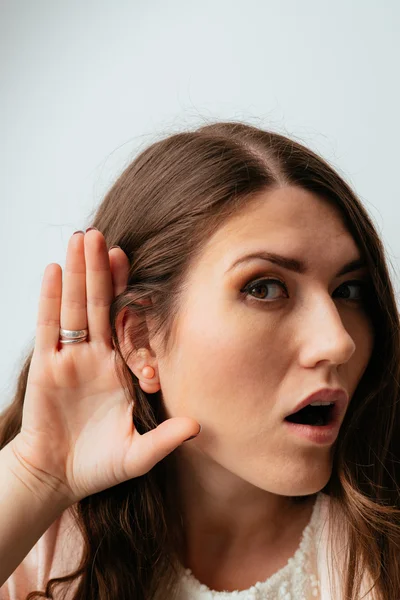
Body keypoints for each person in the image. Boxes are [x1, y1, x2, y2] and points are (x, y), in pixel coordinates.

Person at [0, 122, 399, 600]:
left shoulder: (382, 553)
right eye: (264, 288)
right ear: (142, 339)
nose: (338, 342)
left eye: (347, 290)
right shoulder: (41, 544)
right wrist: (38, 476)